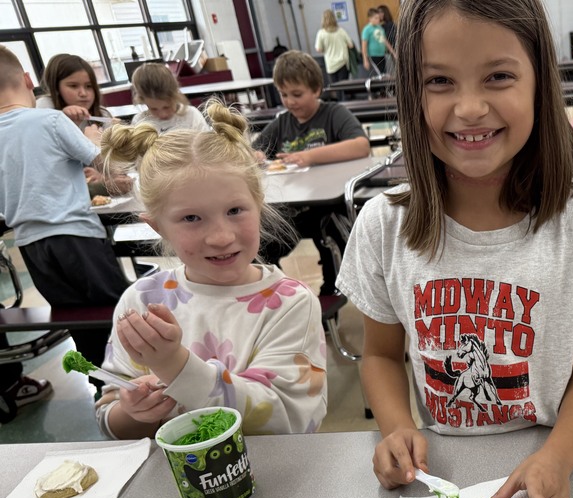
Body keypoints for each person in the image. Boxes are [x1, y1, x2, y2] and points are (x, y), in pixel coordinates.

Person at [336, 0, 573, 498]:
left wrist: (557, 458)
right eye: (439, 81)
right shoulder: (385, 226)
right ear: (411, 94)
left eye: (498, 76)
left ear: (539, 84)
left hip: (553, 457)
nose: (471, 107)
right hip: (444, 470)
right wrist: (396, 427)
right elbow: (381, 355)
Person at [96, 101, 328, 440]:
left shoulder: (291, 303)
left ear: (259, 205)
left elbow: (289, 423)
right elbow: (109, 417)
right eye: (191, 218)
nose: (221, 237)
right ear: (157, 226)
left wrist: (175, 365)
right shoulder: (141, 302)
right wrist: (134, 411)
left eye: (235, 210)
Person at [0, 45, 130, 386]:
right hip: (77, 236)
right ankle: (134, 383)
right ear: (29, 80)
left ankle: (103, 389)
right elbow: (106, 165)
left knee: (79, 320)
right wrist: (98, 139)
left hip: (31, 247)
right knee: (119, 313)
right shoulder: (51, 119)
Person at [254, 50, 370, 294]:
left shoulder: (333, 114)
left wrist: (309, 157)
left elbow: (361, 145)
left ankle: (333, 290)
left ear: (316, 90)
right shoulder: (282, 121)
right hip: (293, 207)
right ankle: (278, 293)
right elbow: (254, 149)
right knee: (263, 243)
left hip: (328, 207)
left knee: (332, 239)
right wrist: (257, 155)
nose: (290, 101)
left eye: (297, 94)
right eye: (284, 95)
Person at [37, 53, 133, 198]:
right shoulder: (45, 111)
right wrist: (65, 123)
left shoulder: (102, 115)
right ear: (56, 88)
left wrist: (103, 174)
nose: (83, 93)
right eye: (73, 86)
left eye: (89, 86)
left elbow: (119, 167)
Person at [130, 62, 209, 133]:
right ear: (142, 101)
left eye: (167, 107)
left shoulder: (191, 116)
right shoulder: (140, 123)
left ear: (176, 95)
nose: (162, 114)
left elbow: (208, 146)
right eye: (153, 109)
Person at [315, 9, 356, 84]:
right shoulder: (341, 31)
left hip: (330, 64)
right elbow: (351, 45)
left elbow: (319, 49)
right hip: (343, 62)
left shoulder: (321, 33)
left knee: (336, 87)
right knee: (344, 86)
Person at [360, 8, 394, 76]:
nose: (378, 19)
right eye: (376, 18)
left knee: (383, 74)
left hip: (382, 55)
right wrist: (365, 60)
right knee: (377, 75)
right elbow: (364, 46)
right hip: (373, 56)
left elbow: (385, 41)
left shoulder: (380, 28)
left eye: (378, 18)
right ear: (370, 18)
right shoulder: (367, 29)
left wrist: (393, 52)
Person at [377, 6, 398, 74]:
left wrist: (393, 52)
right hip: (386, 52)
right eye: (378, 13)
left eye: (381, 12)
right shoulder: (380, 26)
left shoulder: (389, 24)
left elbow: (389, 39)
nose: (379, 15)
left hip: (392, 51)